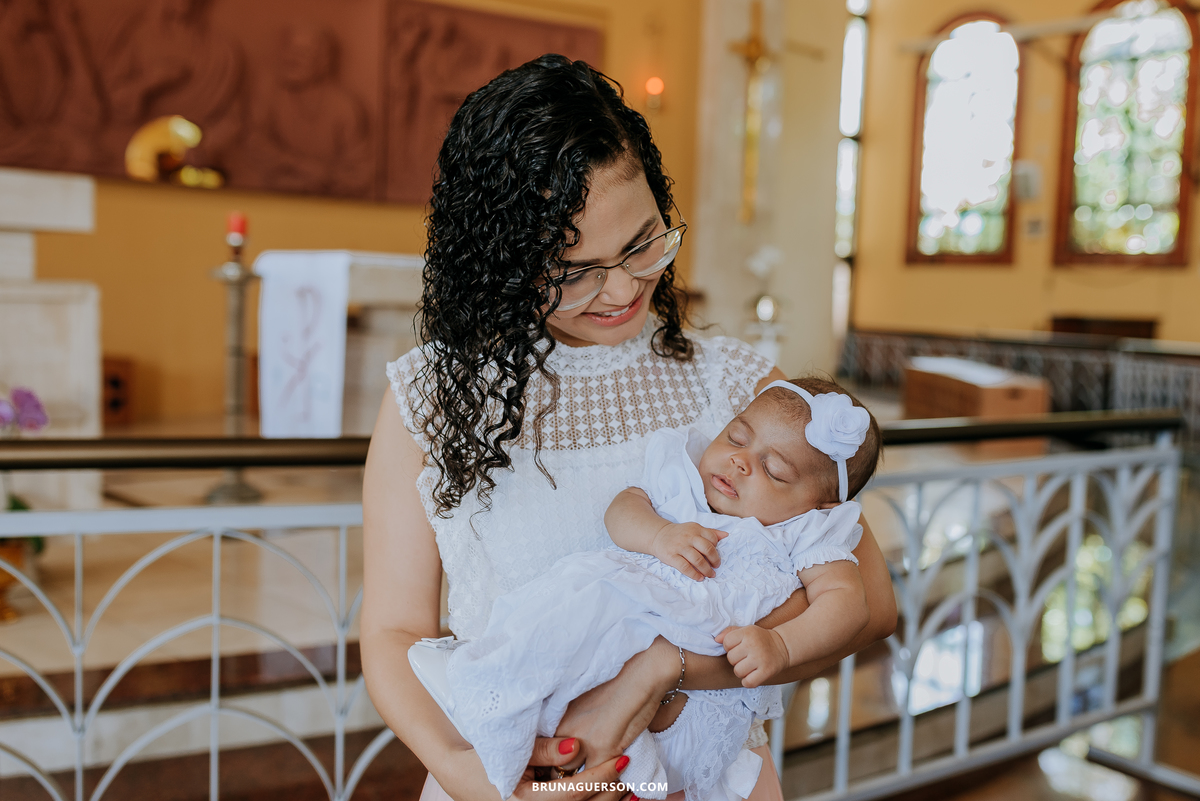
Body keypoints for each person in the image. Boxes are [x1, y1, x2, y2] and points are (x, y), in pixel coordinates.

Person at [360, 53, 897, 801]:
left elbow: (869, 602)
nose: (622, 289)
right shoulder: (432, 396)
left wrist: (661, 673)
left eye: (643, 243)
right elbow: (391, 632)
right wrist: (474, 775)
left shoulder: (741, 392)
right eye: (573, 268)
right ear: (503, 263)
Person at [410, 378, 881, 801]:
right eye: (736, 437)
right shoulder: (684, 480)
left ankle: (503, 701)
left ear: (820, 505)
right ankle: (487, 688)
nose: (740, 460)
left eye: (774, 471)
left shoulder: (808, 533)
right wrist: (658, 534)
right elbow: (622, 508)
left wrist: (782, 643)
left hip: (703, 676)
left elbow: (850, 604)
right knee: (563, 632)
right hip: (625, 616)